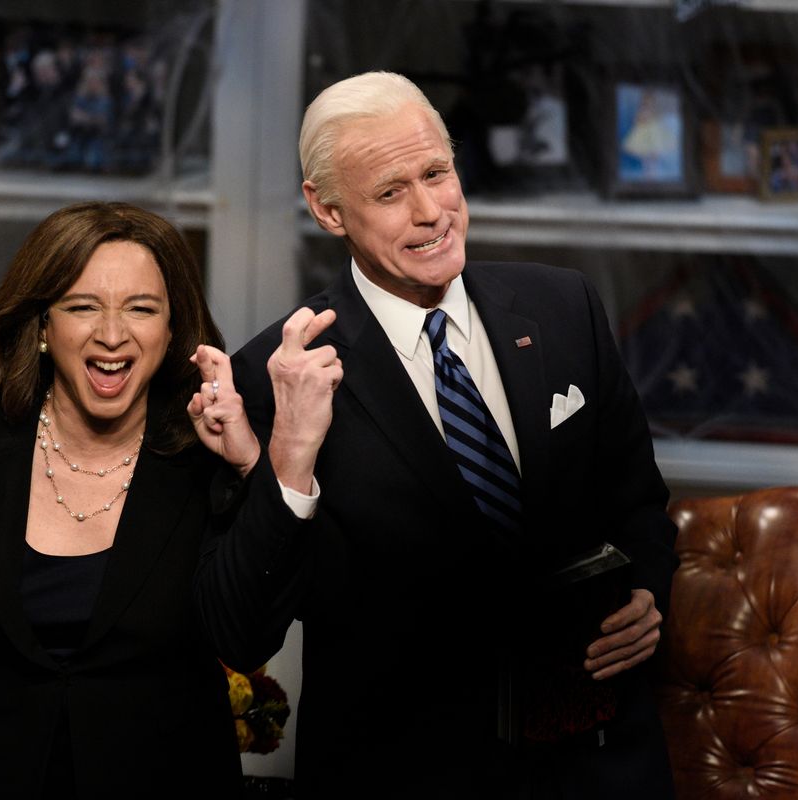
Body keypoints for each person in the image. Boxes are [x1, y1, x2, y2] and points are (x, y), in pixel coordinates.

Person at [195, 71, 680, 798]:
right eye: (390, 193)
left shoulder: (563, 306)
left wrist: (646, 591)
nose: (431, 212)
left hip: (598, 759)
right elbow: (243, 631)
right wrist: (290, 454)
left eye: (437, 173)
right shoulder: (274, 378)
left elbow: (639, 503)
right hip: (403, 770)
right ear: (327, 210)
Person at [0, 201, 337, 797]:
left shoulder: (209, 455)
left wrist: (261, 465)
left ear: (172, 330)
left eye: (142, 309)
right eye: (83, 307)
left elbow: (247, 639)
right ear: (43, 324)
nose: (113, 334)